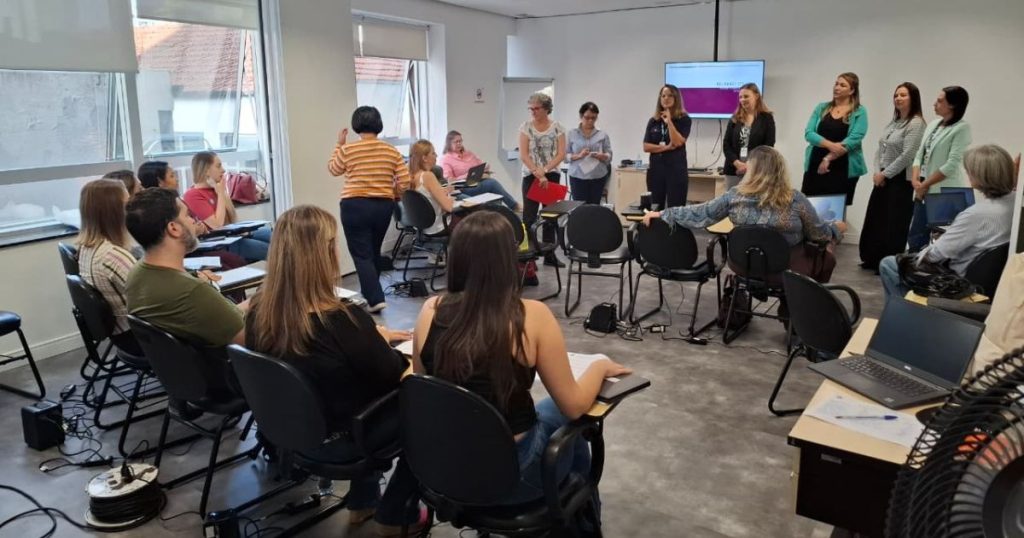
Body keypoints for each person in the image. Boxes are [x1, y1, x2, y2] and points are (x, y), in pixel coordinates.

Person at [409, 210, 629, 528]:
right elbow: (574, 405)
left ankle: (577, 516)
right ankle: (580, 519)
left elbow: (423, 384)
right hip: (512, 478)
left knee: (552, 411)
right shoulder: (531, 315)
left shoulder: (431, 309)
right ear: (507, 259)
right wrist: (599, 366)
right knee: (575, 425)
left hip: (445, 467)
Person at [243, 205, 422, 536]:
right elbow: (392, 375)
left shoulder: (259, 312)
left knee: (352, 390)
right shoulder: (343, 322)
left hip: (292, 431)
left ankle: (364, 502)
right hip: (344, 441)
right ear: (323, 255)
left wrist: (370, 337)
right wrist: (418, 354)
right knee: (426, 404)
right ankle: (396, 514)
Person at [643, 146, 847, 283]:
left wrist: (663, 213)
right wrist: (836, 230)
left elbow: (700, 212)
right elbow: (819, 234)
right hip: (786, 269)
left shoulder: (734, 196)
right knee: (826, 245)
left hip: (743, 266)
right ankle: (801, 304)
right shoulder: (795, 199)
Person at [879, 144, 1015, 299]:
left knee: (889, 264)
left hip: (958, 282)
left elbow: (934, 255)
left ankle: (906, 309)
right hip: (993, 282)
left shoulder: (976, 214)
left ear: (978, 176)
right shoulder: (1016, 204)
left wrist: (937, 244)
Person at [124, 187, 244, 348]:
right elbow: (245, 339)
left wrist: (258, 302)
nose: (193, 221)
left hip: (175, 363)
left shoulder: (136, 273)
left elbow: (226, 317)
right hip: (227, 360)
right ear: (174, 228)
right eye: (187, 215)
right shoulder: (192, 291)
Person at [329, 106, 411, 313]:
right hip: (383, 206)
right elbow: (405, 180)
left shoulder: (348, 150)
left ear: (356, 125)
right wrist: (395, 192)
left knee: (361, 253)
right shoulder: (391, 150)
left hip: (354, 205)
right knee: (373, 250)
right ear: (378, 124)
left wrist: (339, 145)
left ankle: (375, 298)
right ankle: (371, 292)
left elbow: (334, 169)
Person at [859, 83, 926, 271]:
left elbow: (908, 155)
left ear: (913, 98)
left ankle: (887, 262)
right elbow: (880, 149)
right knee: (876, 218)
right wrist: (877, 171)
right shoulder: (894, 122)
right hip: (882, 177)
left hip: (900, 180)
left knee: (894, 222)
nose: (898, 98)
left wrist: (885, 173)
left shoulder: (916, 123)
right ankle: (872, 258)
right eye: (896, 95)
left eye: (903, 95)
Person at [77, 179, 142, 356]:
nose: (131, 209)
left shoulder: (86, 248)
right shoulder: (113, 256)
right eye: (127, 204)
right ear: (114, 212)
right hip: (138, 338)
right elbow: (154, 300)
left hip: (121, 335)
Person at [906, 86, 973, 251]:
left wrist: (924, 184)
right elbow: (919, 154)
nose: (934, 103)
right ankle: (914, 265)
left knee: (941, 239)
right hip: (922, 190)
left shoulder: (962, 128)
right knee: (916, 236)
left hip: (943, 192)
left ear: (953, 105)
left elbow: (952, 164)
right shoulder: (933, 124)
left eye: (940, 101)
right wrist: (915, 180)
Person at [183, 152, 272, 263]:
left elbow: (231, 220)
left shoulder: (216, 188)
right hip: (220, 243)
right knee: (274, 251)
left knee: (278, 235)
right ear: (206, 170)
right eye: (218, 166)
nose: (223, 170)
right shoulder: (192, 195)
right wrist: (221, 193)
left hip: (234, 235)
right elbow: (217, 225)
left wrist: (221, 192)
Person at [801, 72, 868, 206]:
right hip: (815, 165)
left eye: (842, 85)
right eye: (836, 84)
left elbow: (854, 139)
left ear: (852, 90)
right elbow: (809, 133)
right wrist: (830, 145)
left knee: (835, 211)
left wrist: (828, 158)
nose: (837, 87)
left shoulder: (859, 111)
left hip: (843, 167)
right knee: (809, 209)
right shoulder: (822, 108)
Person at [518, 92, 567, 268]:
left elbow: (561, 154)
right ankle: (529, 257)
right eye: (531, 109)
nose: (533, 112)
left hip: (551, 175)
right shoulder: (525, 127)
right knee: (529, 217)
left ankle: (549, 254)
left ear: (546, 109)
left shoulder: (558, 127)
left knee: (550, 216)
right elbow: (524, 154)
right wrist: (538, 173)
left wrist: (544, 170)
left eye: (536, 108)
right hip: (530, 176)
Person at [438, 130, 520, 211]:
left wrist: (485, 168)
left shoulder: (468, 153)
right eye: (456, 142)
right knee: (492, 184)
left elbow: (480, 164)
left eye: (461, 141)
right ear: (449, 143)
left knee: (492, 185)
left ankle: (506, 210)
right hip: (463, 188)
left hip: (476, 182)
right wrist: (466, 176)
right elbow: (450, 180)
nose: (459, 144)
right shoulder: (446, 159)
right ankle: (514, 206)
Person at [643, 84, 692, 209]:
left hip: (676, 171)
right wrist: (666, 148)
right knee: (655, 207)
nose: (666, 98)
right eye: (663, 96)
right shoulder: (653, 121)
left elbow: (677, 142)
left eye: (670, 95)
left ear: (676, 98)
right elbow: (646, 146)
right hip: (656, 171)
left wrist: (669, 121)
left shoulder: (684, 119)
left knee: (675, 208)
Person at [723, 83, 775, 190]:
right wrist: (737, 163)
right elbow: (726, 144)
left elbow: (769, 145)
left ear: (756, 96)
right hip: (733, 171)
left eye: (746, 96)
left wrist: (750, 165)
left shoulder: (767, 118)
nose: (742, 100)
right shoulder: (735, 118)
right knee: (733, 200)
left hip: (757, 171)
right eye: (740, 97)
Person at [566, 102, 613, 204]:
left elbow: (609, 155)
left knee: (594, 208)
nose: (590, 121)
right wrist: (579, 155)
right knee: (579, 208)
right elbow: (564, 156)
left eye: (593, 118)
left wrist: (603, 156)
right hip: (577, 176)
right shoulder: (571, 134)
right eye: (587, 117)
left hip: (598, 176)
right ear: (581, 116)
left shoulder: (602, 134)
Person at [408, 140, 456, 235]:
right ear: (424, 158)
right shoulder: (428, 176)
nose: (436, 155)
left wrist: (442, 191)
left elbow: (425, 196)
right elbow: (449, 208)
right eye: (433, 153)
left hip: (422, 228)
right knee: (473, 221)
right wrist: (451, 198)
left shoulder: (412, 175)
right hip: (439, 227)